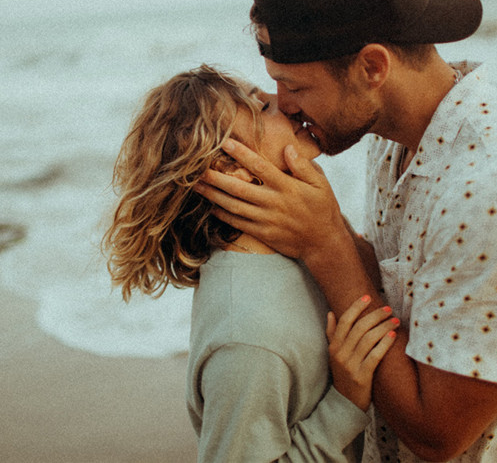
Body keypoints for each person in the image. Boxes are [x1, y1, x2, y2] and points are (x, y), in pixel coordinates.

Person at [195, 0, 497, 462]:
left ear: (372, 68)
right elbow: (395, 282)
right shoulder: (395, 137)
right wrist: (321, 226)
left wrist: (325, 244)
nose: (284, 105)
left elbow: (437, 436)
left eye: (295, 86)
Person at [103, 64, 399, 462]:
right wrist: (344, 403)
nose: (288, 103)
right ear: (230, 170)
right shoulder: (246, 337)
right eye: (263, 107)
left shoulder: (304, 242)